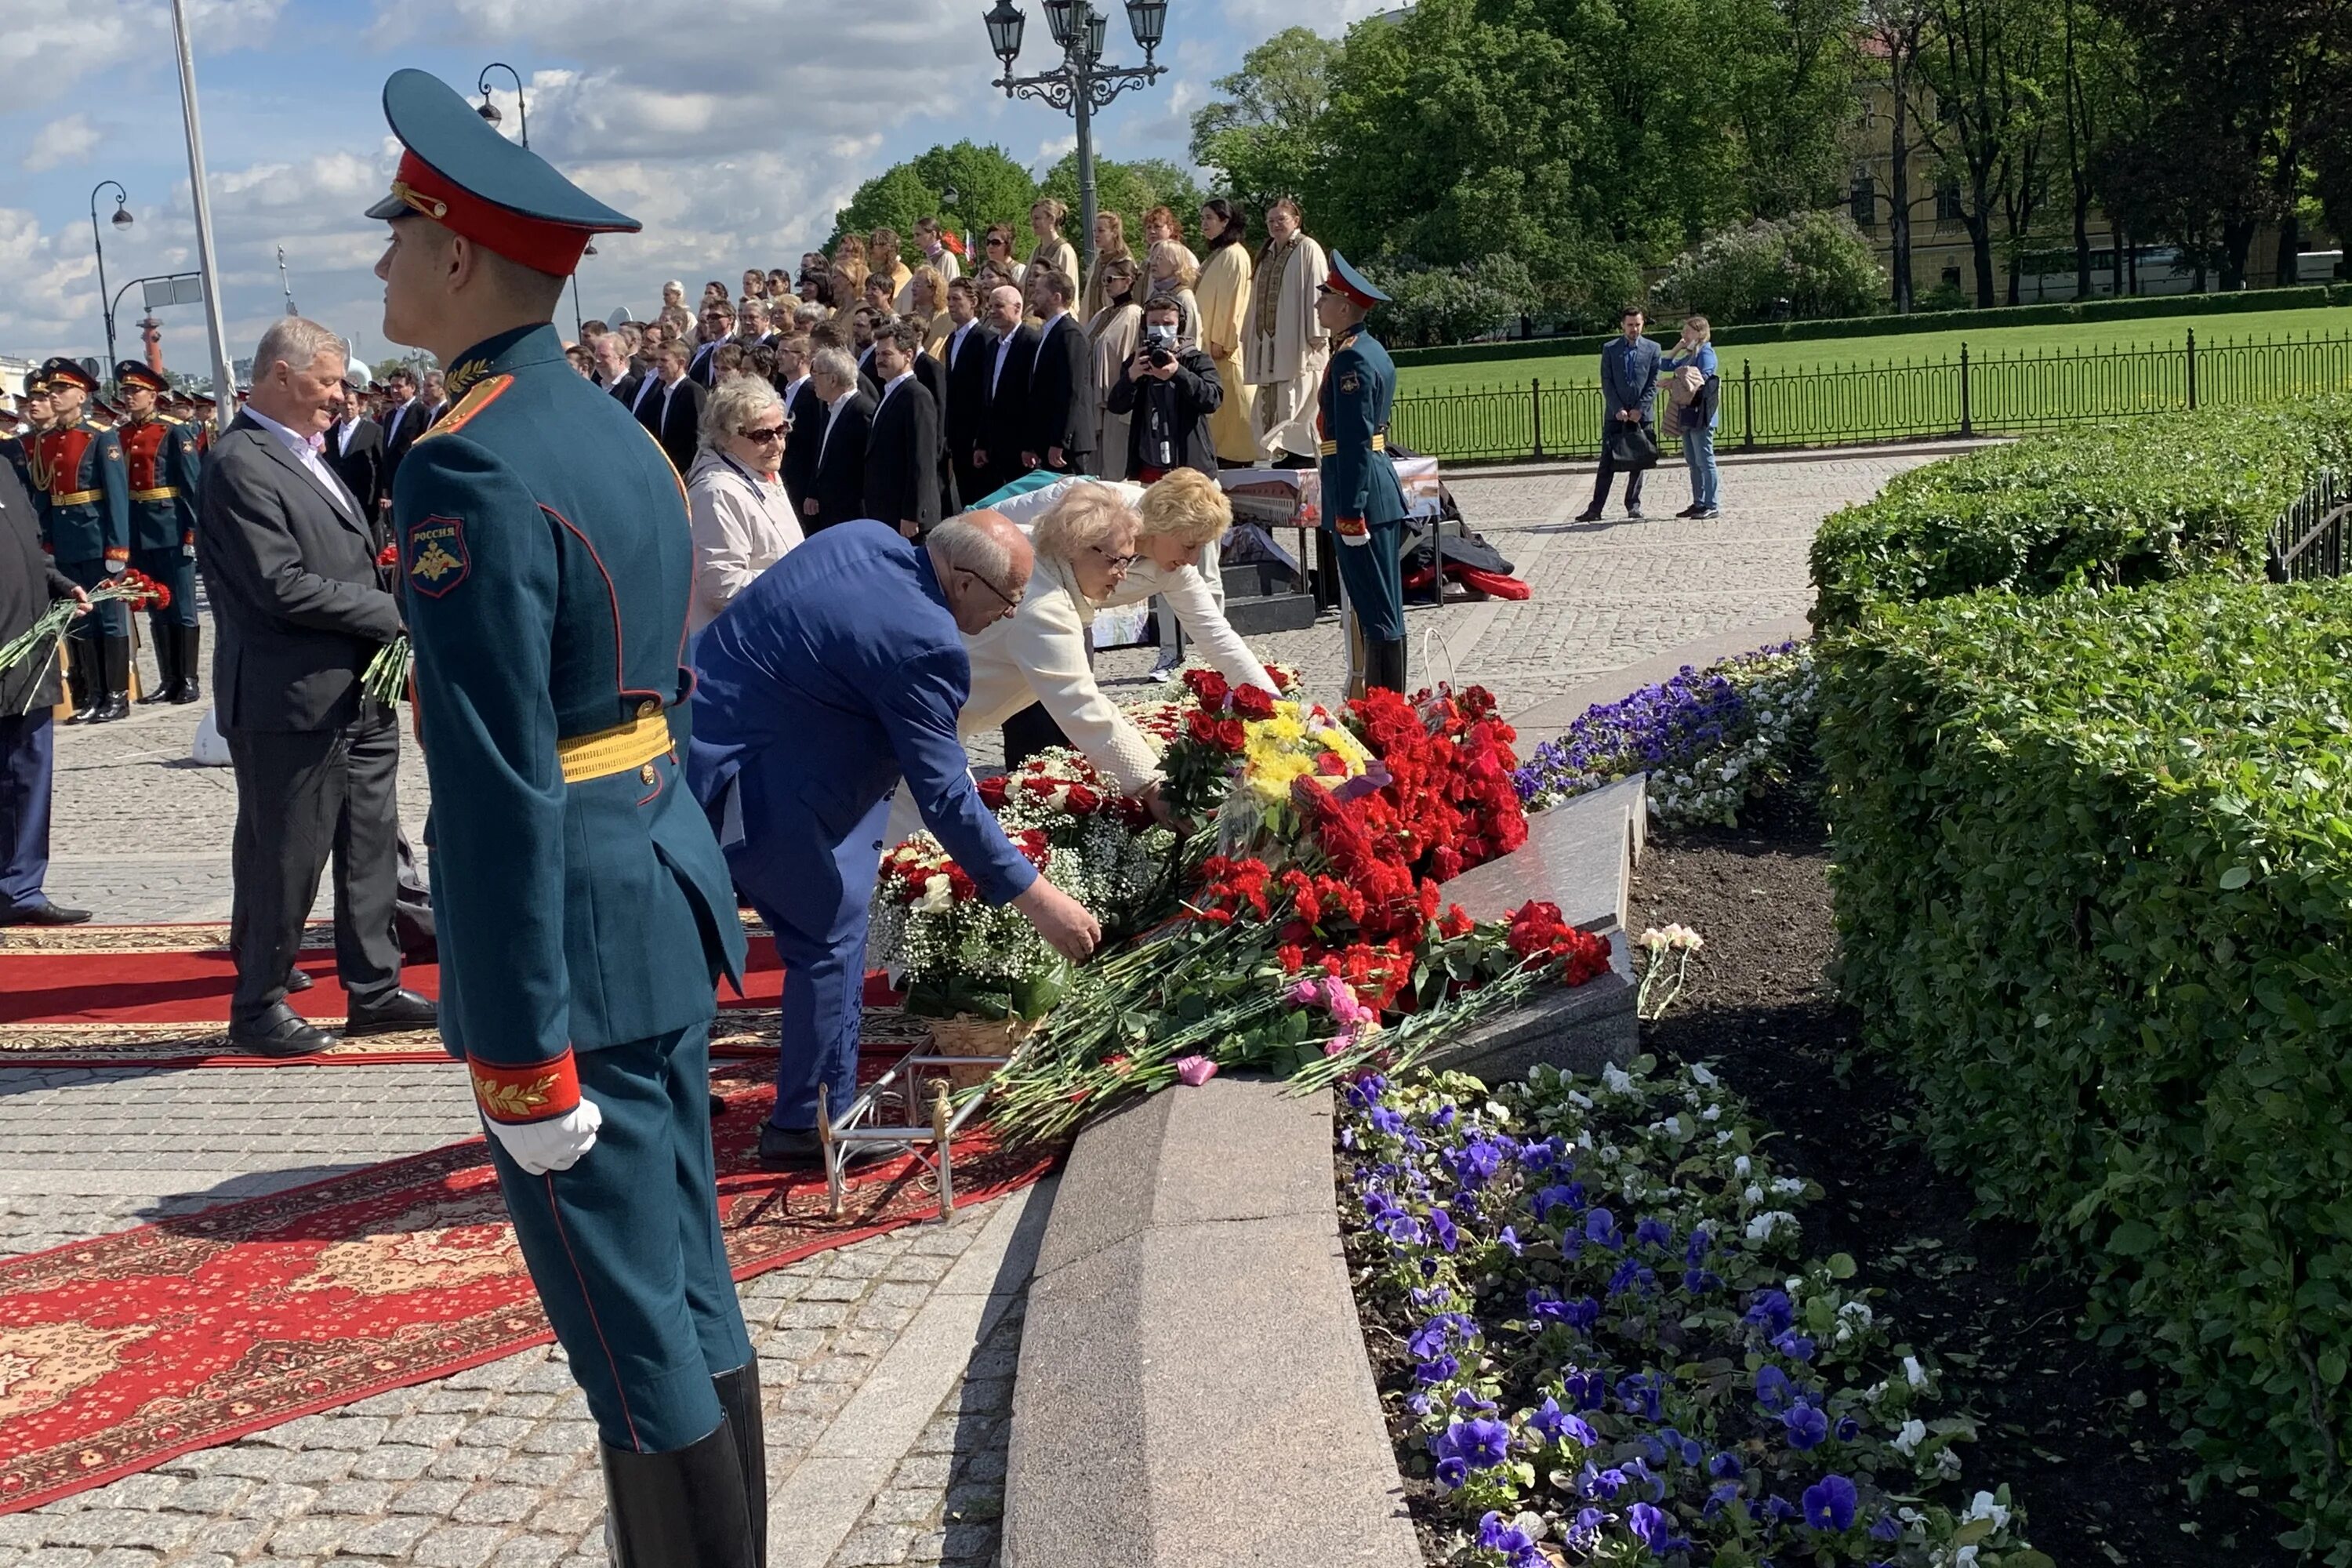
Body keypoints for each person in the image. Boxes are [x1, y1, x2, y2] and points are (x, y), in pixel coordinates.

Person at [368, 67, 762, 1566]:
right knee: (688, 1284)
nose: (383, 258)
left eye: (398, 230)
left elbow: (489, 779)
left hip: (571, 949)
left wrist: (519, 1050)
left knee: (628, 1336)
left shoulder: (465, 459)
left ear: (459, 253)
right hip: (655, 886)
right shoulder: (613, 429)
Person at [688, 512, 1100, 1167]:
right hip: (754, 779)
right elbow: (945, 799)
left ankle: (672, 1085)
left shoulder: (866, 537)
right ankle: (805, 1123)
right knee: (828, 929)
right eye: (1007, 598)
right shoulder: (926, 643)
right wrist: (1039, 900)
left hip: (698, 735)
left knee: (698, 920)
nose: (1011, 612)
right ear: (963, 581)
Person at [198, 316, 432, 1056]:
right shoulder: (243, 460)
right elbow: (281, 585)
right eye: (328, 380)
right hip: (288, 699)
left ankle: (375, 987)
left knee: (369, 846)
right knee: (286, 855)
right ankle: (260, 1001)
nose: (340, 393)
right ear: (281, 376)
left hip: (355, 690)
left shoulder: (305, 451)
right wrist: (397, 612)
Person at [975, 469, 1273, 699]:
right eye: (1189, 545)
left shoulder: (1173, 566)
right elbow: (984, 530)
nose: (1194, 560)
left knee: (1062, 710)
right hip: (1004, 609)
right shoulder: (1084, 503)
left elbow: (1216, 636)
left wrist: (1274, 704)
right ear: (1162, 527)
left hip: (1074, 617)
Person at [0, 448, 92, 927]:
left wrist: (58, 582)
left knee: (28, 774)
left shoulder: (5, 468)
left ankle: (20, 888)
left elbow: (28, 548)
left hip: (26, 649)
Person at [1316, 254, 1412, 696]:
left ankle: (1386, 713)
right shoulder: (1366, 350)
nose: (1319, 307)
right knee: (1383, 605)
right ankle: (1388, 707)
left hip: (1361, 495)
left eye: (1325, 298)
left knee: (1377, 610)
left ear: (1344, 306)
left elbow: (1353, 439)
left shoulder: (1351, 360)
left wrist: (1351, 510)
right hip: (1373, 487)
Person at [27, 359, 132, 722]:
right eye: (51, 390)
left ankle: (117, 696)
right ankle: (93, 695)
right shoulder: (47, 440)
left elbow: (117, 497)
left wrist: (117, 548)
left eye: (61, 390)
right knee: (79, 621)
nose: (53, 396)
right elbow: (45, 498)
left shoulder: (100, 437)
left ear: (81, 395)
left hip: (97, 539)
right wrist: (47, 545)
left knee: (109, 618)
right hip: (67, 543)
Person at [110, 361, 205, 703]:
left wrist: (193, 533)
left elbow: (193, 487)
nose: (129, 397)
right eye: (126, 392)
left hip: (171, 527)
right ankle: (168, 679)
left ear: (153, 395)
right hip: (137, 529)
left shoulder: (174, 431)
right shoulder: (120, 435)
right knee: (154, 603)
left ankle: (189, 678)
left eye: (135, 391)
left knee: (181, 604)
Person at [686, 375, 802, 639]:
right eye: (762, 435)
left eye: (781, 430)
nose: (777, 444)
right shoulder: (716, 492)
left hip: (775, 628)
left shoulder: (761, 469)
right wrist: (798, 579)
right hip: (741, 644)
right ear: (726, 437)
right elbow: (721, 586)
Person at [1243, 198, 1330, 466]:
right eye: (1270, 221)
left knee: (1300, 403)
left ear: (1296, 220)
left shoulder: (1308, 249)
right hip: (1268, 346)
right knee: (1269, 404)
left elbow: (1318, 289)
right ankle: (1273, 458)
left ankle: (1300, 459)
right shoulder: (1267, 253)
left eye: (1281, 219)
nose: (1275, 225)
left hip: (1299, 346)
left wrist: (1318, 333)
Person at [1105, 293, 1223, 481]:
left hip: (1190, 467)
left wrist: (1178, 373)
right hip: (1148, 466)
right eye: (1154, 323)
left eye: (1167, 324)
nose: (1161, 329)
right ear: (1145, 326)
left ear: (1179, 326)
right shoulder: (1138, 361)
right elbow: (1116, 406)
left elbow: (1213, 400)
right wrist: (1132, 376)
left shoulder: (1196, 360)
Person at [1575, 305, 1662, 522]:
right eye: (1630, 325)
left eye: (1638, 325)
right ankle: (1596, 508)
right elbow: (1607, 381)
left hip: (1642, 415)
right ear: (1623, 326)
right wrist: (1618, 408)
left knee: (1639, 462)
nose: (1634, 329)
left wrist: (1639, 409)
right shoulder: (1610, 348)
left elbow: (1653, 382)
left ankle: (1633, 504)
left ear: (1643, 325)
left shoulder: (1653, 349)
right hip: (1616, 416)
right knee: (1607, 463)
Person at [862, 318, 942, 539]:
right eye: (877, 355)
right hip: (885, 510)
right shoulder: (890, 393)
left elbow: (922, 459)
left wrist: (913, 514)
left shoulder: (917, 396)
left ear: (908, 355)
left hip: (905, 518)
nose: (879, 360)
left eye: (887, 355)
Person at [1023, 268, 1091, 477]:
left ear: (1056, 297)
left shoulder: (1070, 333)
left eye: (1039, 293)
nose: (1033, 298)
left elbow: (1072, 390)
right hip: (1050, 440)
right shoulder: (1050, 331)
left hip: (1066, 446)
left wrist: (1060, 440)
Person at [938, 277, 996, 510]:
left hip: (976, 434)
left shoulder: (984, 338)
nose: (951, 304)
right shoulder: (952, 339)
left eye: (956, 299)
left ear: (973, 302)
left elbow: (985, 391)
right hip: (958, 434)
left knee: (981, 497)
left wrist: (981, 438)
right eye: (948, 299)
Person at [802, 344, 873, 532]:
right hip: (829, 508)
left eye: (816, 373)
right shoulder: (829, 407)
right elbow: (822, 454)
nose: (812, 379)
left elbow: (868, 466)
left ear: (832, 379)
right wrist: (813, 492)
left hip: (852, 510)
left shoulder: (862, 412)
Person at [975, 283, 1036, 496]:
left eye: (998, 306)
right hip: (995, 444)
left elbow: (1034, 397)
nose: (992, 311)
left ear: (1017, 308)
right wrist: (981, 443)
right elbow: (987, 397)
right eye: (990, 306)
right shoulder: (992, 346)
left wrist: (1030, 445)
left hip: (1020, 445)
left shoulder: (1031, 342)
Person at [1086, 257, 1144, 477]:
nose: (1106, 284)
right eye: (1103, 279)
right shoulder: (1103, 313)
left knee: (1115, 458)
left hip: (1116, 399)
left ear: (1128, 281)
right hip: (1095, 396)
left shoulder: (1134, 314)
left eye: (1111, 279)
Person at [1660, 314, 1721, 519]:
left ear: (1700, 333)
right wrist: (1679, 346)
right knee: (1693, 461)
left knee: (1705, 460)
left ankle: (1711, 504)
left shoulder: (1706, 354)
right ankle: (1699, 502)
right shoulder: (1690, 354)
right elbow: (1665, 364)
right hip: (1686, 412)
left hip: (1701, 414)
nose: (1684, 335)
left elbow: (1698, 382)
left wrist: (1673, 382)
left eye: (1687, 332)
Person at [322, 372, 387, 532]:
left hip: (366, 498)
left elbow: (381, 463)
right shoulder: (330, 432)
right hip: (339, 496)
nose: (348, 408)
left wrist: (384, 493)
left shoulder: (373, 431)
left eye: (352, 404)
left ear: (358, 406)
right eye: (345, 404)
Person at [779, 335, 826, 518]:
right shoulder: (788, 390)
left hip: (802, 485)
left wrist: (812, 490)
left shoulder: (811, 392)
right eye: (779, 351)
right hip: (789, 481)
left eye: (785, 352)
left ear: (803, 357)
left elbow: (816, 443)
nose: (778, 356)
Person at [644, 339, 708, 474]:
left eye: (664, 360)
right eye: (658, 360)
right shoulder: (661, 391)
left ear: (681, 363)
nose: (658, 365)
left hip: (685, 471)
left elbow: (701, 434)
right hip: (666, 468)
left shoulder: (693, 392)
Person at [1146, 240, 1202, 349]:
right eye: (1152, 258)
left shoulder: (1184, 297)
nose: (1153, 263)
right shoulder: (1154, 294)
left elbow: (1192, 337)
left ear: (1175, 264)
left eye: (1159, 259)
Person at [1080, 210, 1133, 322]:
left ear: (1114, 232)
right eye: (1095, 231)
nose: (1096, 235)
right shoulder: (1097, 262)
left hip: (1115, 321)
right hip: (1094, 321)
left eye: (1101, 231)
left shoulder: (1124, 262)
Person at [1027, 199, 1078, 291]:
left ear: (1051, 219)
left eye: (1037, 218)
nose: (1033, 223)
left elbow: (1068, 290)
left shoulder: (1064, 251)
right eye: (1032, 219)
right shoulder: (1035, 251)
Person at [687, 296, 735, 387]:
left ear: (730, 320)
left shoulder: (739, 346)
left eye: (716, 316)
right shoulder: (708, 351)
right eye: (709, 317)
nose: (711, 321)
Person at [866, 228, 913, 310]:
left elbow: (890, 300)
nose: (870, 249)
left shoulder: (902, 274)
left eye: (874, 244)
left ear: (887, 248)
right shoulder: (880, 272)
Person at [913, 216, 962, 289]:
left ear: (933, 234)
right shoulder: (926, 262)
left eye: (918, 235)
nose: (915, 240)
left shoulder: (947, 258)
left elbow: (953, 289)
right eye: (914, 236)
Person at [980, 223, 1025, 288]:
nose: (990, 246)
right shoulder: (983, 274)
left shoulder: (1020, 272)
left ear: (1008, 245)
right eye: (988, 242)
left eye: (995, 243)